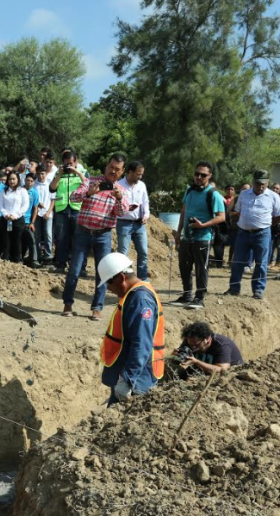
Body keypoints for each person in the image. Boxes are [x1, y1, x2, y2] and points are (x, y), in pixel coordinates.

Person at [61, 154, 128, 320]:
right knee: (75, 270)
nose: (113, 171)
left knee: (103, 273)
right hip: (82, 232)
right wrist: (89, 194)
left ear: (122, 172)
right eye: (111, 167)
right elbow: (73, 197)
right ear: (106, 166)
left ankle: (97, 308)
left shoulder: (121, 191)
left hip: (103, 236)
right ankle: (67, 304)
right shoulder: (90, 182)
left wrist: (118, 198)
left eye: (117, 169)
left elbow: (121, 212)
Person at [97, 253, 165, 405]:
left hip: (137, 379)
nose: (108, 288)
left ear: (121, 277)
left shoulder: (141, 300)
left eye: (109, 282)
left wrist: (127, 381)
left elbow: (141, 344)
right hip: (129, 373)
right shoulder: (133, 295)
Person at [172, 162, 226, 309]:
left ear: (210, 176)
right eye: (197, 173)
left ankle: (199, 298)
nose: (199, 177)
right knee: (184, 266)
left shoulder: (213, 194)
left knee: (201, 268)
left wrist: (203, 225)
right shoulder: (189, 190)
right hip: (187, 236)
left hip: (203, 237)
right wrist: (178, 231)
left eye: (203, 175)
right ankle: (187, 295)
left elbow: (221, 217)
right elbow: (184, 211)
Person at [224, 170, 280, 299]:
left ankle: (258, 289)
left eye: (263, 184)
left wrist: (267, 224)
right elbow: (238, 210)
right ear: (253, 182)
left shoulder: (273, 196)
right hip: (243, 232)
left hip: (262, 233)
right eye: (258, 183)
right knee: (237, 261)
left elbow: (279, 215)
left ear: (267, 183)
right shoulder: (244, 194)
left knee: (261, 262)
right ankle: (234, 288)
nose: (260, 186)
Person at [49, 150, 87, 273]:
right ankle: (60, 264)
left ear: (76, 162)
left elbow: (88, 185)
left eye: (70, 163)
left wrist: (76, 172)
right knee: (61, 238)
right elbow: (52, 188)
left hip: (77, 209)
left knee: (79, 238)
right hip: (62, 210)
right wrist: (60, 174)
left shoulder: (83, 172)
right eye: (66, 164)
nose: (68, 166)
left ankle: (80, 266)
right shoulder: (59, 173)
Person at [115, 160, 150, 280]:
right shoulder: (118, 185)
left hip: (139, 224)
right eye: (138, 174)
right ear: (130, 172)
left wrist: (146, 215)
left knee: (143, 252)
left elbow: (145, 202)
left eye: (141, 174)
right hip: (124, 223)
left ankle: (143, 279)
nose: (140, 177)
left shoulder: (142, 185)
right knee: (123, 254)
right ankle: (125, 279)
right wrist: (126, 208)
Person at [174, 321, 243, 377]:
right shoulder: (190, 341)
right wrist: (174, 356)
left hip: (231, 375)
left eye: (197, 344)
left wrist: (196, 362)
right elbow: (179, 358)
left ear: (207, 339)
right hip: (202, 371)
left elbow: (222, 370)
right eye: (190, 344)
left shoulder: (221, 344)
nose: (193, 347)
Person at [0, 171, 29, 263]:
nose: (12, 181)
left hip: (18, 220)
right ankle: (6, 258)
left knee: (17, 240)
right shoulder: (4, 191)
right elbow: (0, 204)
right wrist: (5, 214)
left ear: (18, 179)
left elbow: (25, 205)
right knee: (6, 240)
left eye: (14, 179)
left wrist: (16, 215)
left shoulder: (22, 191)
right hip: (6, 219)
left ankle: (17, 259)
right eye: (10, 179)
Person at [33, 165, 54, 264]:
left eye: (42, 173)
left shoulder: (50, 184)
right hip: (36, 213)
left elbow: (53, 200)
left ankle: (48, 256)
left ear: (46, 174)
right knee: (37, 235)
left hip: (47, 213)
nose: (41, 176)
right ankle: (38, 256)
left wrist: (49, 211)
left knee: (48, 235)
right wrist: (37, 204)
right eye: (39, 174)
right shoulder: (34, 185)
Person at [22, 173, 40, 268]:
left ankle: (33, 260)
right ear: (24, 180)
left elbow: (35, 208)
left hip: (28, 221)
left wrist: (32, 222)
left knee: (31, 239)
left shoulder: (35, 193)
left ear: (34, 182)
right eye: (28, 180)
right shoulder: (19, 190)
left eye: (31, 181)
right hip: (17, 219)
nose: (29, 183)